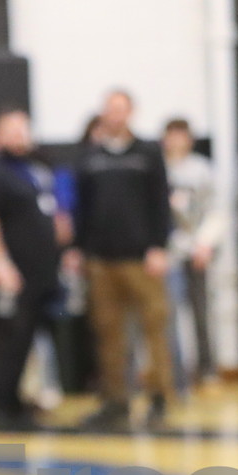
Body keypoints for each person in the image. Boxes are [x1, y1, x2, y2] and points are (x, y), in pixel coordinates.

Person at [72, 90, 174, 429]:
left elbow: (161, 202)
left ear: (131, 112)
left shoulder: (148, 152)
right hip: (101, 260)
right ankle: (116, 402)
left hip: (142, 258)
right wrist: (79, 248)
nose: (115, 115)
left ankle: (158, 398)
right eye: (110, 109)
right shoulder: (91, 156)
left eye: (121, 109)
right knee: (108, 333)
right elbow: (82, 208)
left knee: (154, 331)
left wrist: (159, 246)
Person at [0, 110, 62, 429]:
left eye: (24, 129)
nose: (20, 135)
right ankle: (1, 406)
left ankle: (16, 402)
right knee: (6, 337)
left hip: (38, 273)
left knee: (25, 338)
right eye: (12, 129)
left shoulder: (35, 171)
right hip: (10, 274)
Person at [160, 119, 223, 386]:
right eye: (171, 136)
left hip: (196, 250)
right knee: (169, 315)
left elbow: (215, 208)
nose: (176, 141)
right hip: (168, 253)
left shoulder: (201, 169)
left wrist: (205, 243)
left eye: (181, 136)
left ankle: (207, 369)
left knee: (201, 312)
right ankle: (176, 375)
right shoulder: (157, 167)